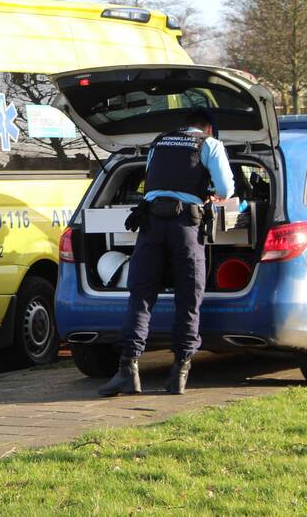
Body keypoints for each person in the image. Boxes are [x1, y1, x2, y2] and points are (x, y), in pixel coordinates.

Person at [98, 108, 235, 397]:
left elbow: (153, 180)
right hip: (185, 225)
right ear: (207, 127)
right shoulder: (209, 145)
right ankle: (178, 375)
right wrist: (211, 193)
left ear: (182, 127)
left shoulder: (159, 142)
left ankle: (128, 371)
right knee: (188, 296)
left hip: (151, 224)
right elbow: (225, 188)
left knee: (141, 295)